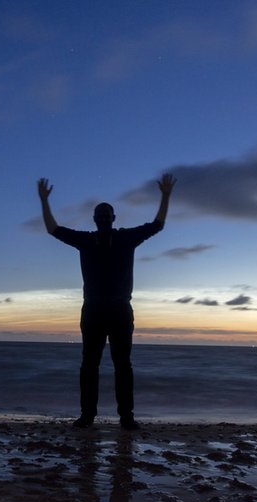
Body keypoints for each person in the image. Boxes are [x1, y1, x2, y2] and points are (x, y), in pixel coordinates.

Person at [37, 174, 176, 430]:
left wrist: (165, 196)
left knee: (123, 365)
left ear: (113, 218)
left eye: (106, 215)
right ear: (94, 220)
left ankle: (127, 417)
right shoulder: (86, 241)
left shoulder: (126, 238)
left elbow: (157, 225)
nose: (102, 218)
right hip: (92, 310)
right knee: (89, 365)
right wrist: (44, 201)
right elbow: (53, 230)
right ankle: (87, 415)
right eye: (99, 215)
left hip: (121, 310)